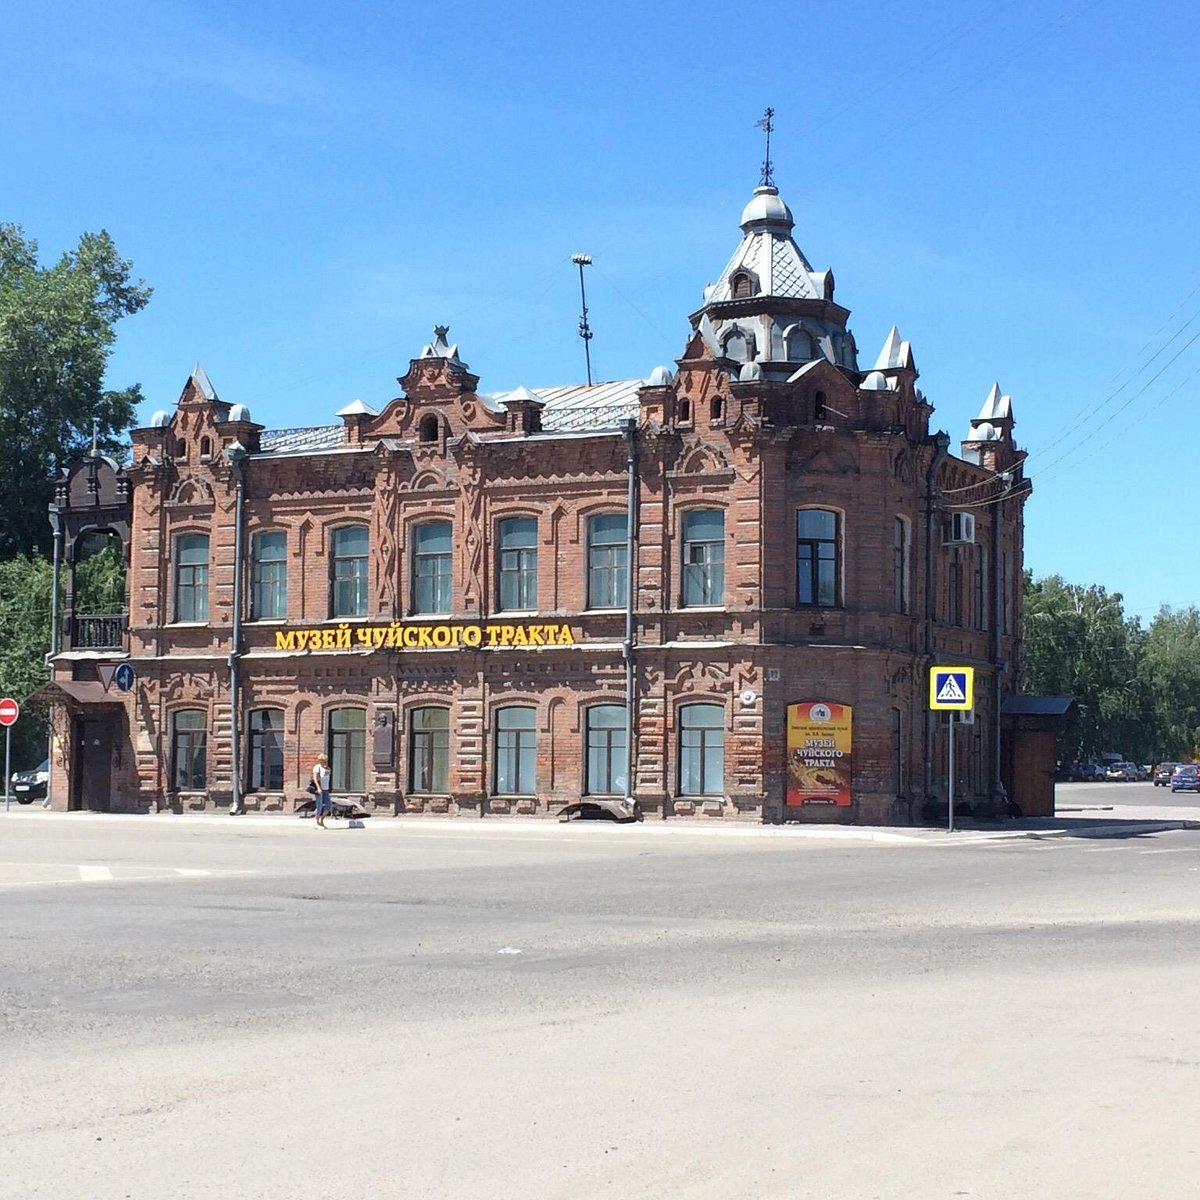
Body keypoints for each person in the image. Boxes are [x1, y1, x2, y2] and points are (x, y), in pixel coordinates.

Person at [311, 754, 332, 827]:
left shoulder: (327, 768)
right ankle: (316, 822)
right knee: (319, 806)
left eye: (326, 760)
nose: (325, 762)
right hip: (319, 790)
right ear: (320, 761)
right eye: (323, 760)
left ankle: (322, 820)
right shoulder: (317, 767)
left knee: (329, 806)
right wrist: (318, 788)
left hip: (326, 790)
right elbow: (315, 778)